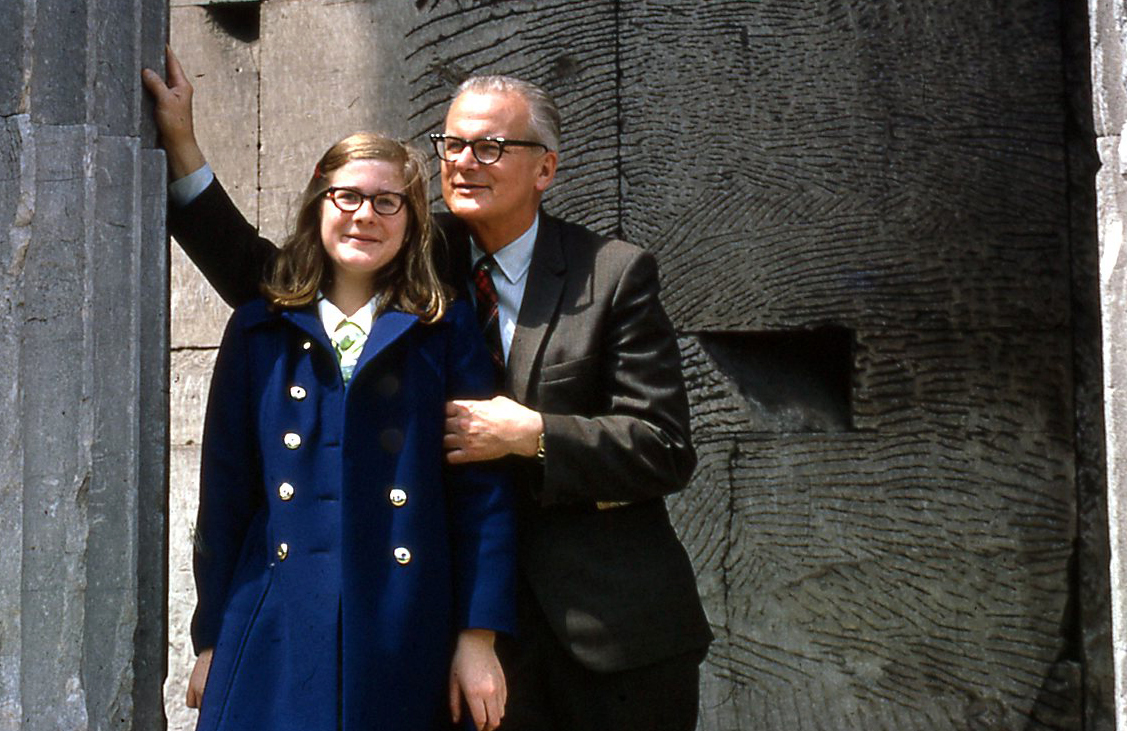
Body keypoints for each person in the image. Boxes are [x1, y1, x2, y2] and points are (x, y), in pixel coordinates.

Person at [145, 49, 712, 731]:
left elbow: (664, 446)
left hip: (605, 629)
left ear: (546, 169)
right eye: (453, 143)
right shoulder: (416, 250)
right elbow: (276, 283)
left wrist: (529, 434)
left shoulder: (612, 274)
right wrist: (182, 151)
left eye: (491, 146)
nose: (464, 161)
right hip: (453, 626)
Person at [185, 131, 517, 731]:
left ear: (413, 223)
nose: (365, 215)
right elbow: (225, 498)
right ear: (318, 205)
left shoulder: (443, 332)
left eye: (388, 202)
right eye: (347, 197)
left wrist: (478, 638)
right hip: (274, 626)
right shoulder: (260, 330)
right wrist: (211, 640)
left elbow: (482, 497)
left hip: (407, 625)